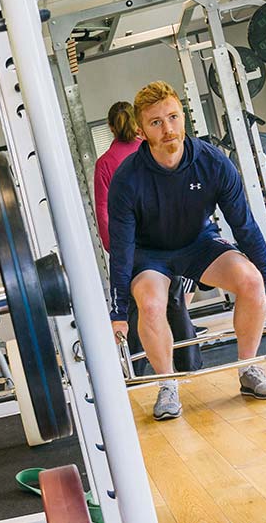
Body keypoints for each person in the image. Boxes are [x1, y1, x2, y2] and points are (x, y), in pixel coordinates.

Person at [108, 81, 266, 420]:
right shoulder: (127, 179)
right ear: (141, 130)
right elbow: (121, 247)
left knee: (251, 282)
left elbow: (245, 226)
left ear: (183, 116)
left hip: (199, 243)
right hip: (150, 254)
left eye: (173, 117)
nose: (168, 129)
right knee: (151, 304)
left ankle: (249, 369)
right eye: (156, 122)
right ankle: (168, 386)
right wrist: (118, 313)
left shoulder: (212, 162)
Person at [94, 101, 202, 376]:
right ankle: (190, 365)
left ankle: (137, 371)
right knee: (176, 302)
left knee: (134, 309)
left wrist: (117, 249)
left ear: (110, 127)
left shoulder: (105, 163)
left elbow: (104, 211)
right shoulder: (153, 153)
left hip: (132, 249)